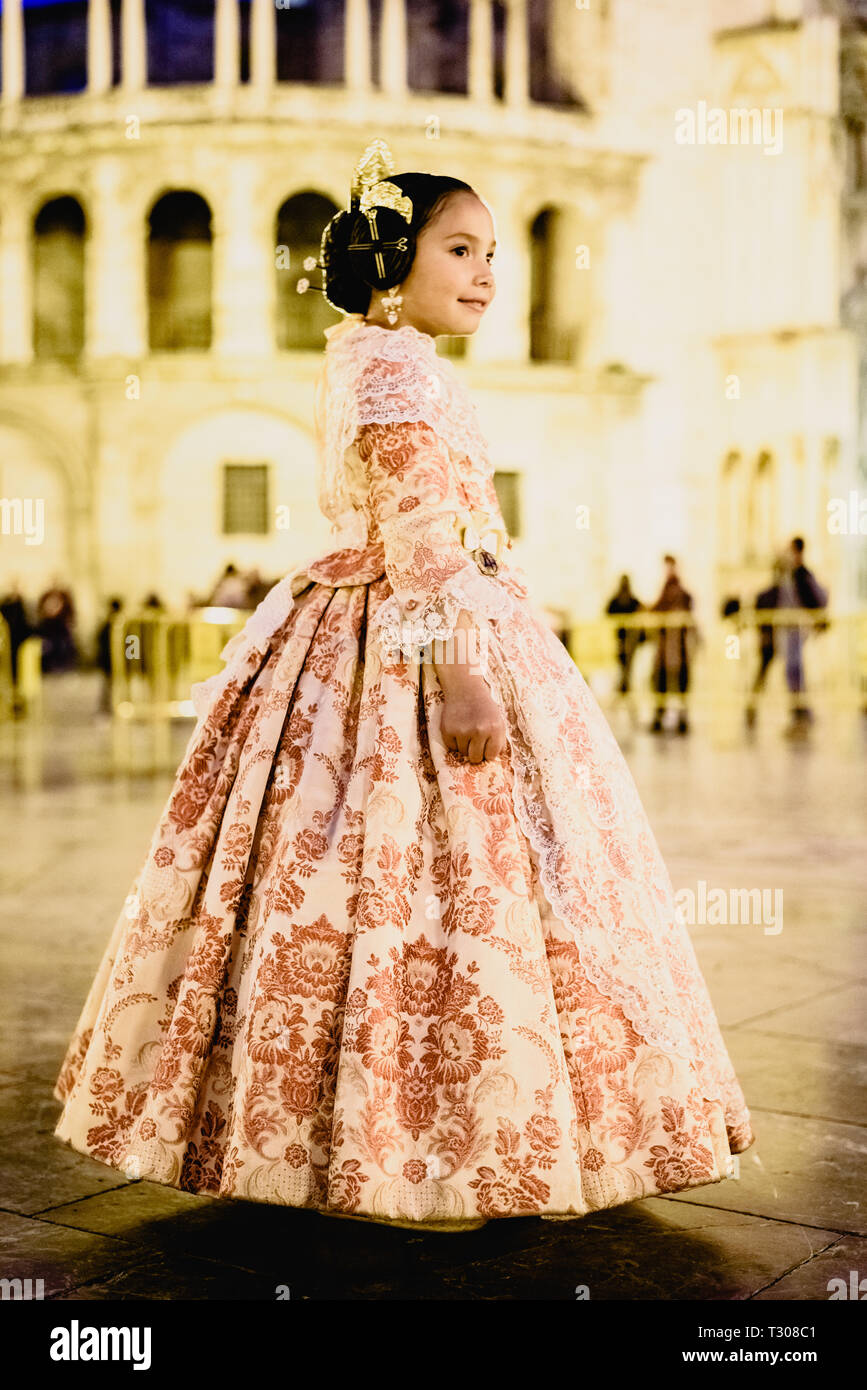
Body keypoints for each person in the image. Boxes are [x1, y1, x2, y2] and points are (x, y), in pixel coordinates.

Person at [53, 138, 753, 1231]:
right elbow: (423, 537)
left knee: (355, 882)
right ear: (392, 259)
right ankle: (446, 1144)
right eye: (460, 249)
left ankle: (358, 1134)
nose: (485, 273)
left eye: (493, 254)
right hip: (423, 640)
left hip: (376, 627)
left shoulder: (366, 355)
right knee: (444, 881)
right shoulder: (395, 367)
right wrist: (465, 674)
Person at [778, 537, 829, 737]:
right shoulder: (791, 574)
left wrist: (815, 621)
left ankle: (801, 714)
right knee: (792, 672)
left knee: (795, 671)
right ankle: (800, 713)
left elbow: (815, 599)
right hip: (790, 629)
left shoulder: (802, 575)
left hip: (796, 630)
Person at [649, 555, 696, 734]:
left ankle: (676, 718)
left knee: (675, 681)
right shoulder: (669, 590)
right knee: (663, 681)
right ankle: (663, 716)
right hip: (668, 647)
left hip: (677, 647)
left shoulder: (678, 592)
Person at [605, 574, 645, 695]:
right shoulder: (628, 600)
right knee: (625, 666)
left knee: (625, 666)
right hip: (623, 639)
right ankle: (623, 686)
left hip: (627, 639)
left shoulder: (619, 599)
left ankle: (624, 686)